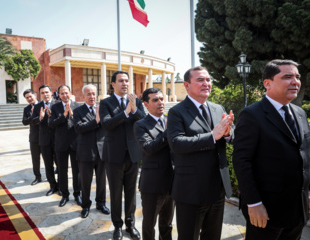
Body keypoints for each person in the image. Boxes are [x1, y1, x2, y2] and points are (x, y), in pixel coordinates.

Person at [233, 59, 310, 240]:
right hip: (266, 211)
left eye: (297, 77)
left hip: (297, 210)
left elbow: (305, 154)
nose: (295, 82)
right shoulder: (252, 115)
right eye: (287, 77)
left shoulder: (300, 113)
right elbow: (242, 161)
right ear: (267, 83)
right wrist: (254, 202)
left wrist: (307, 191)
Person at [167, 66, 234, 240]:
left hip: (217, 189)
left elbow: (230, 134)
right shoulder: (176, 112)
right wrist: (212, 136)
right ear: (187, 85)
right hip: (191, 190)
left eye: (208, 80)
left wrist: (228, 133)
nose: (206, 83)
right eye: (200, 80)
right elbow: (176, 143)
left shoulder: (218, 108)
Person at [99, 71, 146, 240]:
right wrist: (126, 112)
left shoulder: (136, 101)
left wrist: (134, 110)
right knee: (116, 193)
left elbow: (144, 120)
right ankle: (117, 226)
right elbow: (106, 124)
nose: (125, 84)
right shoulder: (106, 103)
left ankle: (130, 225)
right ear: (113, 84)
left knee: (132, 193)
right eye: (121, 81)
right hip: (114, 156)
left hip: (132, 155)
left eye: (127, 81)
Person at [133, 88, 175, 240]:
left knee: (167, 224)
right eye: (155, 100)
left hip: (172, 182)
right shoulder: (141, 125)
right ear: (146, 104)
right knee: (150, 224)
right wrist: (169, 129)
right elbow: (149, 148)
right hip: (152, 184)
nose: (160, 103)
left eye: (162, 99)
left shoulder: (170, 121)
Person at [73, 84, 110, 218]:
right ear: (83, 96)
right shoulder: (78, 111)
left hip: (101, 151)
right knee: (85, 182)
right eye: (88, 94)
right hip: (85, 152)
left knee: (101, 181)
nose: (92, 96)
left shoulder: (103, 109)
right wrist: (96, 121)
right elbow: (79, 128)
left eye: (94, 94)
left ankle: (101, 204)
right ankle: (86, 206)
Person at [49, 85, 82, 207]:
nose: (64, 95)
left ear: (70, 93)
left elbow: (81, 123)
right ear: (59, 95)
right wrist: (63, 115)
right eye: (62, 93)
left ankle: (77, 194)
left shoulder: (78, 106)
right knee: (62, 171)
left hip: (75, 143)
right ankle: (65, 195)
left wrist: (72, 115)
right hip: (61, 143)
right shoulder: (55, 107)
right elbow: (51, 124)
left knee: (76, 171)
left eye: (66, 93)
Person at [32, 84, 59, 197]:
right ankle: (53, 186)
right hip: (44, 141)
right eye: (42, 93)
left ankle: (62, 187)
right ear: (40, 95)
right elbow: (33, 121)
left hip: (58, 140)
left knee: (61, 166)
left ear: (51, 92)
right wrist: (40, 118)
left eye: (46, 92)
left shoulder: (58, 104)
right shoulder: (38, 107)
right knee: (48, 166)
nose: (45, 94)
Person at [22, 89, 42, 185]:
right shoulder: (27, 109)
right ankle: (37, 177)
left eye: (30, 96)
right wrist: (33, 115)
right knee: (35, 158)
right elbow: (24, 121)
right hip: (34, 137)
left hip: (46, 136)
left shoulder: (43, 104)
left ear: (35, 95)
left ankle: (57, 173)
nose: (29, 98)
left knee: (53, 157)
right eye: (27, 98)